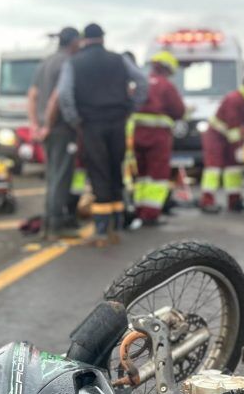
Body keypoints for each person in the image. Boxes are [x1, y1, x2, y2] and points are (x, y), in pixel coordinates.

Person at [54, 23, 148, 246]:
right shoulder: (119, 59)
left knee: (99, 174)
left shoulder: (73, 63)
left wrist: (74, 119)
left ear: (84, 39)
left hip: (91, 124)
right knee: (117, 172)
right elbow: (142, 81)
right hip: (117, 121)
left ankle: (102, 231)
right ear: (104, 38)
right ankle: (116, 225)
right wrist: (130, 107)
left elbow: (64, 93)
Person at [28, 26, 81, 238]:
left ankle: (48, 223)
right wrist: (49, 125)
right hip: (59, 128)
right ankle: (56, 225)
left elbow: (32, 96)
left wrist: (35, 126)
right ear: (74, 41)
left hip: (44, 129)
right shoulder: (67, 63)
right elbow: (57, 97)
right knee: (61, 176)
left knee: (51, 176)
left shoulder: (45, 63)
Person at [130, 51, 186, 227]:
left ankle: (138, 210)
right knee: (157, 176)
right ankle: (151, 214)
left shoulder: (140, 83)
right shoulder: (166, 86)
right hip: (158, 137)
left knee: (141, 175)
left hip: (136, 135)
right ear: (167, 69)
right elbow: (179, 110)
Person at [200, 76, 244, 213]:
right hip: (216, 137)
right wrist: (239, 148)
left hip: (228, 138)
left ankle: (234, 201)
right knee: (213, 169)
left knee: (233, 169)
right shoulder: (235, 99)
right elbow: (233, 126)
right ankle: (207, 201)